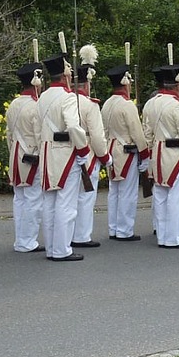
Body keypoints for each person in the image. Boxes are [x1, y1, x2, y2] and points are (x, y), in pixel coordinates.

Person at [37, 51, 92, 261]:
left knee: (50, 203)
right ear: (65, 75)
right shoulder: (68, 97)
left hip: (46, 152)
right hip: (65, 153)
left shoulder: (43, 96)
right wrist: (83, 150)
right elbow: (73, 126)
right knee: (66, 205)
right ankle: (62, 249)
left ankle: (52, 248)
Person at [141, 63, 179, 249]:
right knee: (176, 197)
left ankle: (162, 235)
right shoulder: (177, 106)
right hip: (174, 154)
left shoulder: (151, 103)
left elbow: (147, 133)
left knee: (160, 195)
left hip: (156, 153)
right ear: (178, 85)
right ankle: (173, 237)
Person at [102, 64, 147, 243]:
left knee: (114, 192)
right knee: (127, 192)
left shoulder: (107, 104)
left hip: (112, 149)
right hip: (126, 151)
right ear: (125, 82)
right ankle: (125, 230)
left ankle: (114, 228)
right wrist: (144, 154)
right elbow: (137, 133)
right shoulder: (127, 105)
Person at [71, 47, 109, 249]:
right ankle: (82, 235)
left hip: (67, 154)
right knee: (86, 197)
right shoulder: (90, 105)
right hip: (87, 153)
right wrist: (105, 157)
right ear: (86, 83)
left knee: (69, 198)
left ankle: (69, 234)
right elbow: (97, 137)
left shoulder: (65, 101)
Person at [6, 61, 44, 251]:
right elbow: (39, 136)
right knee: (33, 200)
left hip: (16, 154)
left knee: (19, 199)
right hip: (31, 156)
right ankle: (28, 240)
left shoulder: (14, 104)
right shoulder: (36, 107)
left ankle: (21, 239)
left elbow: (9, 134)